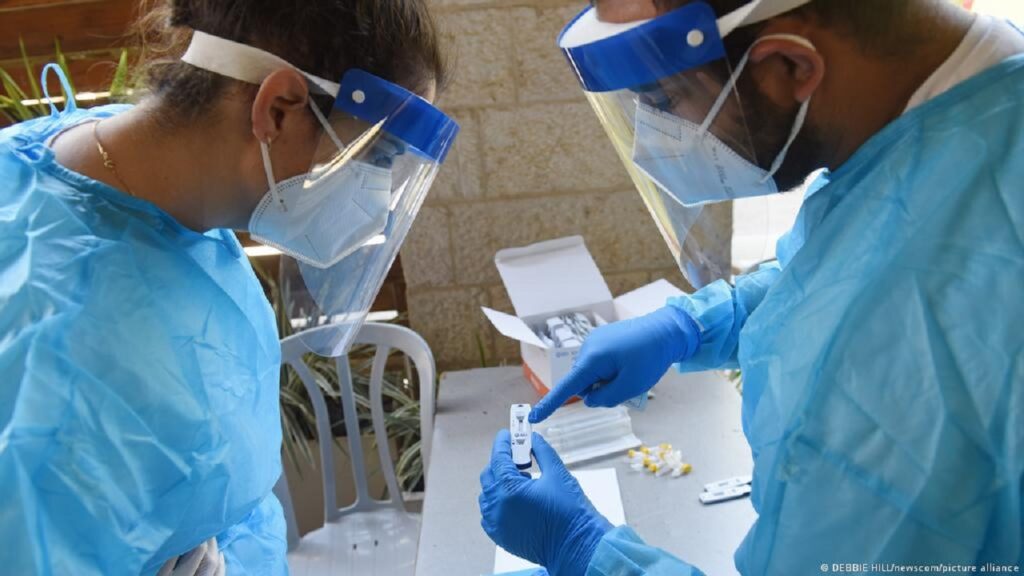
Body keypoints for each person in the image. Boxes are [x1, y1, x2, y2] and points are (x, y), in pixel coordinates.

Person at [479, 0, 1024, 574]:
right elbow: (847, 259)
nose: (648, 142)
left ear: (790, 66)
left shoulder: (895, 336)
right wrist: (701, 323)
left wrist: (583, 550)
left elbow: (890, 296)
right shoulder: (975, 104)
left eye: (664, 101)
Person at [0, 0, 457, 574]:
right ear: (278, 109)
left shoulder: (155, 183)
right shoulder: (64, 353)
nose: (380, 200)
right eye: (376, 158)